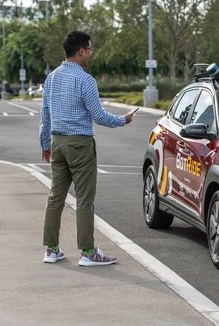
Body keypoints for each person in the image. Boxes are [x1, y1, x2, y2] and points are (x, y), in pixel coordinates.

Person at [39, 31, 136, 266]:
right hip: (80, 145)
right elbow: (99, 116)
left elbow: (45, 115)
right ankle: (88, 252)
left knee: (56, 198)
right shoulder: (85, 80)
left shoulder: (51, 78)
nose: (90, 54)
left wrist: (45, 144)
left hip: (57, 143)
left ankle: (51, 250)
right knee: (84, 199)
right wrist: (124, 120)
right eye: (90, 49)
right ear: (81, 51)